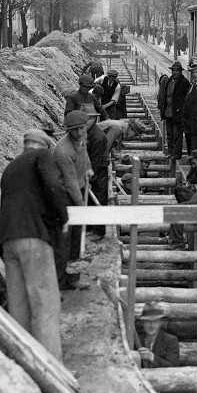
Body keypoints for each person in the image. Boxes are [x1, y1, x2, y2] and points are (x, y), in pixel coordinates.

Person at [0, 128, 68, 360]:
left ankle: (25, 363)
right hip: (33, 238)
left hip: (8, 242)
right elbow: (53, 186)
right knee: (45, 305)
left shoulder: (10, 168)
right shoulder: (41, 157)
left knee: (19, 308)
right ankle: (52, 367)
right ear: (45, 146)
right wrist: (63, 217)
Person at [53, 110, 93, 290]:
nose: (78, 133)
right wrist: (81, 205)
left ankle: (74, 278)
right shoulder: (63, 150)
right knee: (65, 240)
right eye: (75, 130)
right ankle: (61, 281)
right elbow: (70, 183)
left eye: (81, 129)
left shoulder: (81, 139)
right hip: (65, 197)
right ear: (69, 130)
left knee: (77, 239)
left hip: (77, 189)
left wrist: (88, 170)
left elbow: (84, 156)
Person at [133, 301, 184, 393]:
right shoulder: (137, 342)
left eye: (155, 321)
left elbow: (173, 368)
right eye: (148, 322)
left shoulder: (171, 340)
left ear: (161, 322)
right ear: (142, 323)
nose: (151, 326)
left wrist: (152, 357)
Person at [168, 149, 197, 250]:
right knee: (180, 191)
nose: (193, 166)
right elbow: (192, 179)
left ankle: (177, 244)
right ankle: (178, 237)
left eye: (194, 163)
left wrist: (192, 203)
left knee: (175, 211)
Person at [80, 104, 109, 241]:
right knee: (90, 200)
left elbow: (95, 162)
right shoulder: (87, 132)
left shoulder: (97, 137)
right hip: (91, 169)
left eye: (90, 119)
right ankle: (90, 227)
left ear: (94, 120)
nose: (87, 122)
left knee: (99, 199)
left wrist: (90, 178)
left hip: (98, 172)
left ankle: (99, 232)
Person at [159, 61, 189, 160]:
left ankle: (176, 154)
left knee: (177, 135)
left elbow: (187, 99)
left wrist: (183, 111)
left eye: (177, 71)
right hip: (168, 112)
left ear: (180, 72)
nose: (175, 72)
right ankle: (171, 152)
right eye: (173, 70)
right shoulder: (169, 80)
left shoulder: (184, 82)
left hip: (177, 113)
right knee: (169, 134)